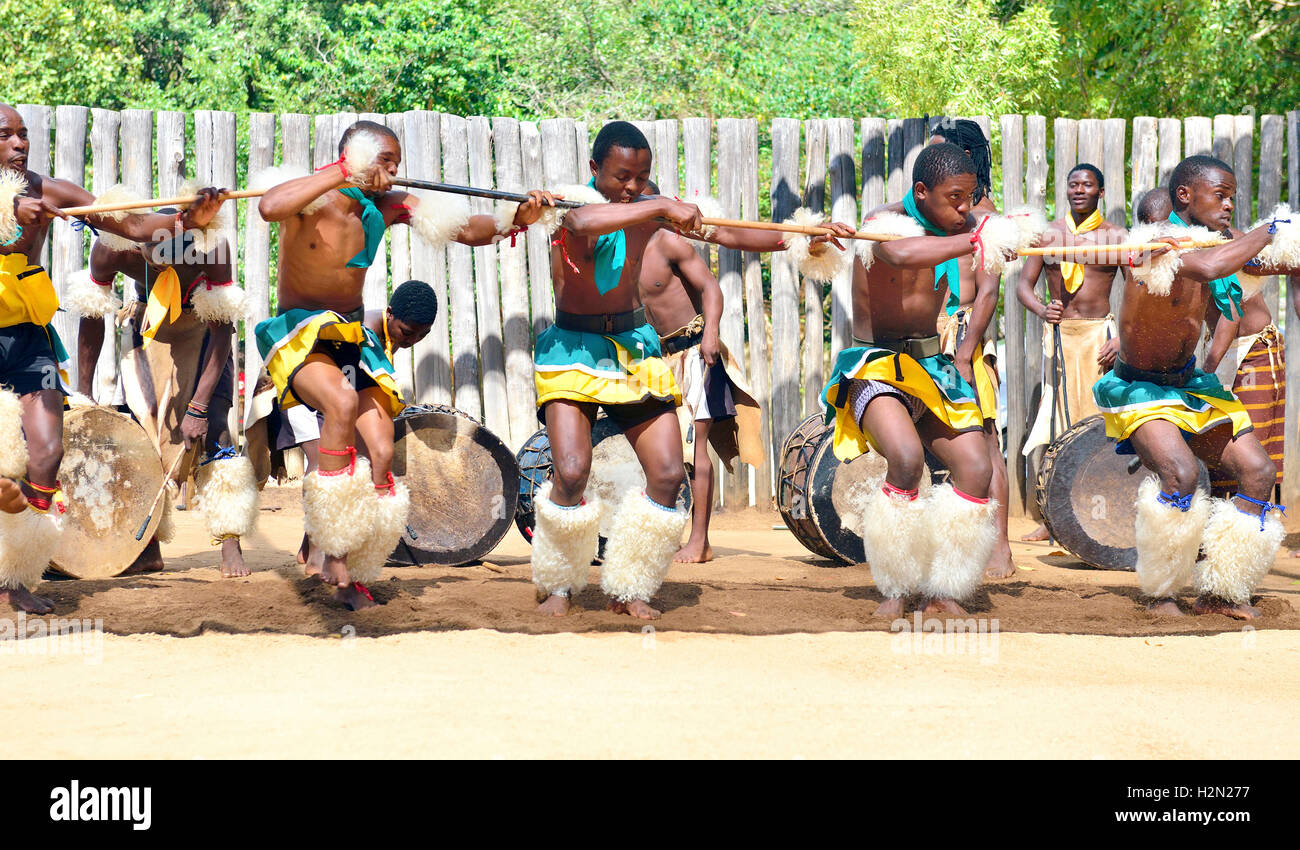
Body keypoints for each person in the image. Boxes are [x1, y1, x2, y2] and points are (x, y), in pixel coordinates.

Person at [256, 119, 553, 609]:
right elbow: (269, 207)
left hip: (351, 333)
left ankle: (361, 565)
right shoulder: (311, 197)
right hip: (302, 331)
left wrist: (517, 217)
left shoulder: (388, 207)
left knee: (380, 447)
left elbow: (467, 230)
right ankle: (332, 551)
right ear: (355, 157)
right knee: (341, 403)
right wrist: (339, 175)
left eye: (397, 164)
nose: (393, 173)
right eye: (385, 162)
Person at [0, 103, 223, 612]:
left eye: (23, 134)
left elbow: (135, 226)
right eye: (5, 135)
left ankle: (16, 579)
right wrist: (7, 212)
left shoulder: (50, 191)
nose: (18, 143)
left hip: (29, 340)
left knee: (47, 454)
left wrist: (189, 218)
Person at [1094, 155, 1300, 619]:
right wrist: (1268, 230)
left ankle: (1222, 590)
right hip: (1140, 388)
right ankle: (1162, 593)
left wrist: (1289, 245)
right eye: (1221, 195)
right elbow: (1207, 268)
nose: (1229, 206)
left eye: (1233, 198)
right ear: (1185, 195)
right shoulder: (1154, 242)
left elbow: (1257, 267)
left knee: (1258, 473)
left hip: (1190, 385)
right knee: (1182, 475)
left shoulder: (1218, 243)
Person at [822, 142, 1020, 618]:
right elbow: (904, 254)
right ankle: (895, 585)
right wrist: (980, 240)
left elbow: (1041, 238)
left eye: (970, 198)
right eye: (955, 197)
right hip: (878, 365)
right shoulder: (883, 224)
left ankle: (944, 587)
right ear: (921, 191)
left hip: (933, 366)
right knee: (908, 459)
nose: (965, 208)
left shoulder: (967, 224)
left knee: (977, 468)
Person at [67, 216, 256, 578]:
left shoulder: (211, 246)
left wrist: (197, 407)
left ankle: (230, 542)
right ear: (138, 246)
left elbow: (222, 331)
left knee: (215, 426)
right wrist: (85, 393)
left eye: (174, 260)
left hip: (203, 325)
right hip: (150, 324)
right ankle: (147, 547)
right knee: (142, 433)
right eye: (155, 260)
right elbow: (93, 313)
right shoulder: (113, 247)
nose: (165, 266)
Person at [249, 280, 437, 575]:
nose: (412, 339)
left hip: (337, 392)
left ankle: (312, 546)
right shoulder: (362, 330)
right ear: (389, 313)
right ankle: (317, 558)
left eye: (422, 335)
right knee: (323, 463)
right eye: (408, 332)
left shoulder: (389, 338)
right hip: (295, 380)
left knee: (351, 458)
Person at [637, 183, 762, 563]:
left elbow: (711, 287)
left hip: (696, 354)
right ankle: (667, 531)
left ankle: (700, 542)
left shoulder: (668, 242)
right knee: (669, 451)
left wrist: (710, 333)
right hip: (663, 359)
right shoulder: (622, 250)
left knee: (697, 446)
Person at [1017, 164, 1125, 541]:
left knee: (1099, 421)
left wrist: (1123, 337)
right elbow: (1023, 286)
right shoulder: (1048, 235)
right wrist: (1041, 308)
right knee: (1057, 422)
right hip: (1061, 337)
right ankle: (1053, 519)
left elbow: (1141, 289)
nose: (1079, 190)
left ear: (1101, 191)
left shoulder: (1115, 236)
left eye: (1087, 184)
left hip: (1100, 338)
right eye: (1073, 184)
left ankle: (1100, 514)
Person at [926, 119, 1015, 577]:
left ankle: (1000, 547)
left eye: (941, 149)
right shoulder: (934, 210)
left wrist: (965, 351)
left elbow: (987, 292)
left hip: (962, 332)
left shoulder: (985, 215)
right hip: (926, 332)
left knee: (985, 439)